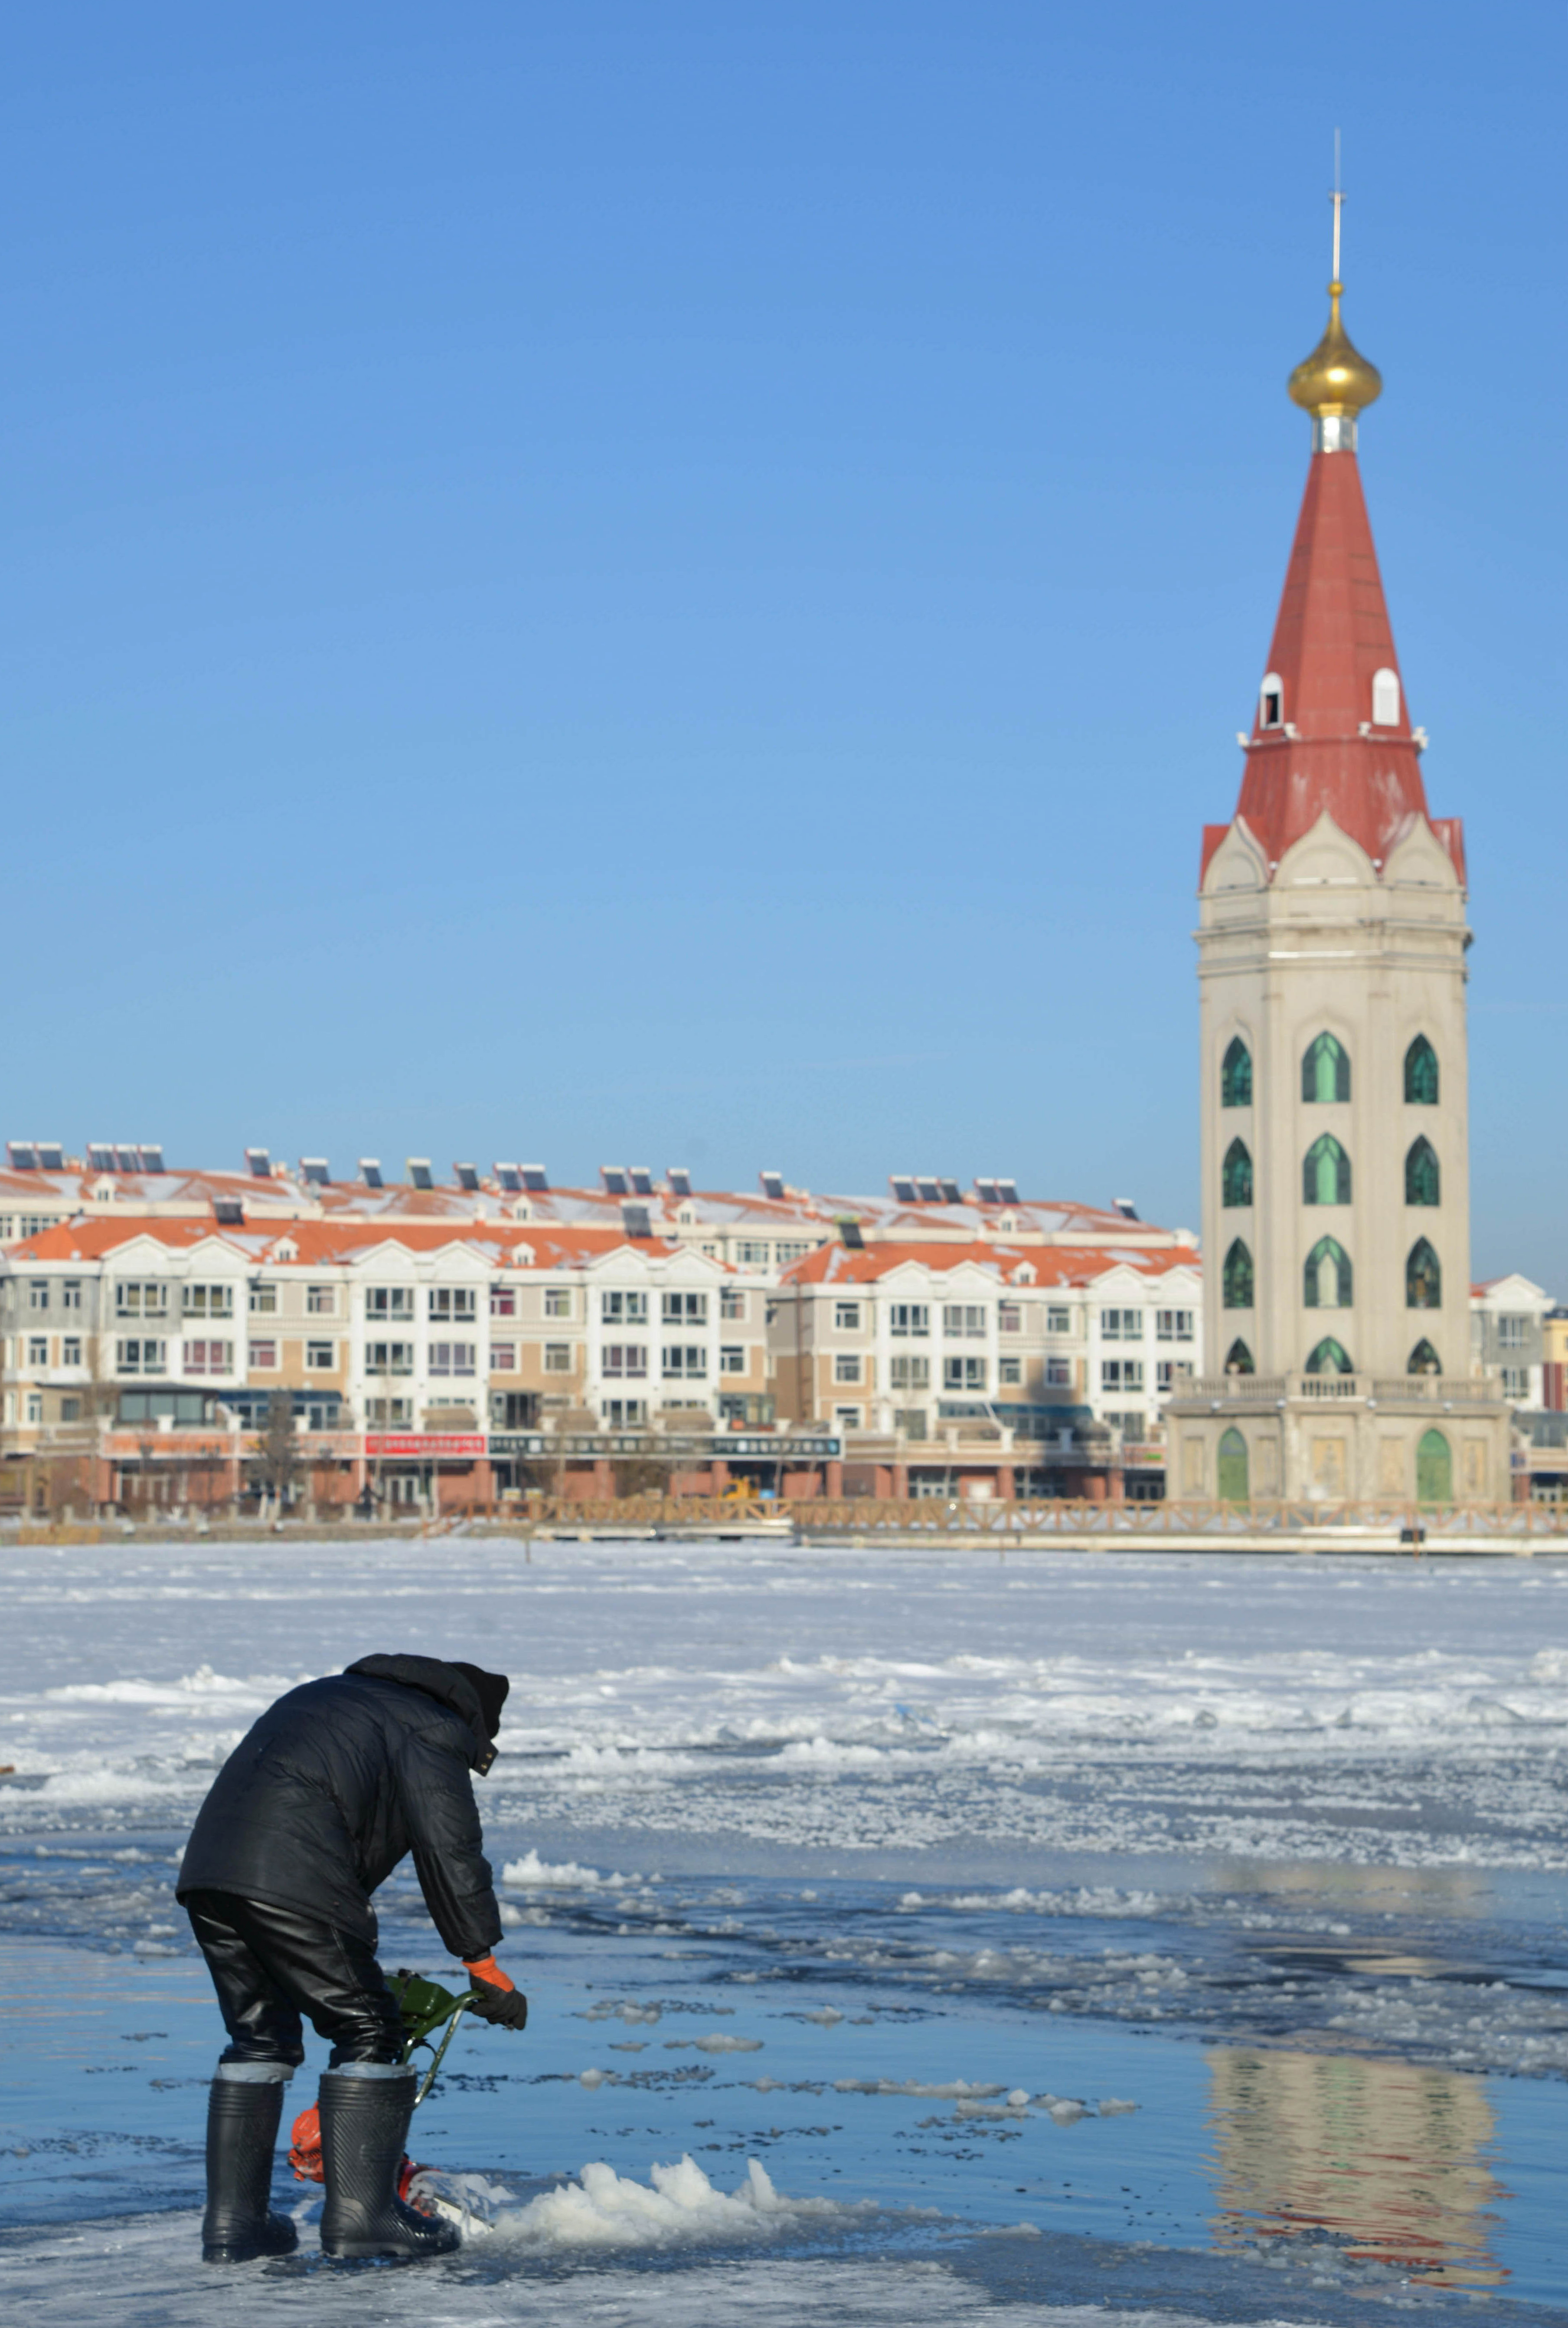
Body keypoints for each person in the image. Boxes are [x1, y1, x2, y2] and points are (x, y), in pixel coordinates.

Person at [176, 1652, 529, 2263]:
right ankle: (365, 2219)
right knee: (368, 2027)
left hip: (211, 1874)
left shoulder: (328, 1696)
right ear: (472, 1716)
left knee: (259, 2039)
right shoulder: (431, 1725)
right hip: (291, 1875)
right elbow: (450, 1852)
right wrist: (481, 1962)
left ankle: (236, 2227)